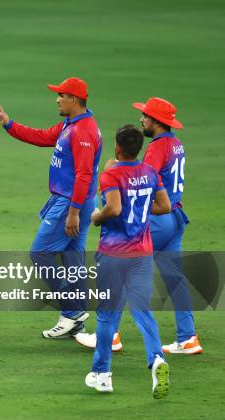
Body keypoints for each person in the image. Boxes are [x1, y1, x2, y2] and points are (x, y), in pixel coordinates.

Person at [0, 77, 102, 339]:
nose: (57, 99)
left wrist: (73, 212)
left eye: (60, 95)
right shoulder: (70, 125)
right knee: (73, 261)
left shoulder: (83, 131)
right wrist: (9, 124)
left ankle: (72, 312)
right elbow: (41, 137)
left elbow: (84, 175)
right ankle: (77, 323)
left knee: (40, 254)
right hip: (75, 201)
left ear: (73, 99)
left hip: (71, 202)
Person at [85, 125, 171, 398]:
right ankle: (157, 359)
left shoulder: (110, 175)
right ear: (138, 149)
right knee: (142, 310)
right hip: (142, 254)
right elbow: (165, 206)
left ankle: (102, 374)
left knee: (108, 314)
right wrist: (144, 212)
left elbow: (115, 208)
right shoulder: (150, 173)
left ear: (117, 148)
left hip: (113, 255)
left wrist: (97, 217)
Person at [135, 97, 202, 355]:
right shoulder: (176, 144)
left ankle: (110, 336)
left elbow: (144, 182)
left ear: (156, 122)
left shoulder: (157, 147)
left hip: (157, 219)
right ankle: (187, 337)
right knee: (175, 279)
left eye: (146, 116)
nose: (142, 119)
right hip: (175, 218)